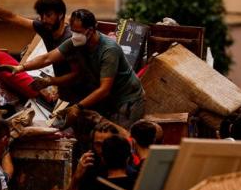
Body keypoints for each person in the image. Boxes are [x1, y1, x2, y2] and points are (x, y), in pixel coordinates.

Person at [11, 9, 145, 128]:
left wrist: (77, 107)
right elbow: (48, 58)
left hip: (127, 100)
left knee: (119, 140)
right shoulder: (76, 42)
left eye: (78, 32)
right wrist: (20, 68)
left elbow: (104, 89)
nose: (74, 35)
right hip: (109, 99)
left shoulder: (108, 50)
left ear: (91, 30)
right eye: (73, 31)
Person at [0, 0, 90, 103]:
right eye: (42, 15)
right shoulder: (45, 28)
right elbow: (11, 17)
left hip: (81, 95)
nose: (44, 19)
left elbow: (76, 75)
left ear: (61, 15)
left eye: (48, 15)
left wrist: (50, 82)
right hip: (63, 93)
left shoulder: (70, 38)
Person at [66, 135, 137, 190]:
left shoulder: (92, 188)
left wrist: (76, 178)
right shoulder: (137, 185)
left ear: (103, 158)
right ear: (128, 158)